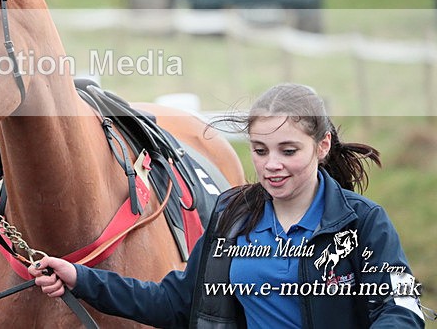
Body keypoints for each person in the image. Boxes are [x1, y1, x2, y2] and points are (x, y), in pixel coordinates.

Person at [30, 83, 427, 328]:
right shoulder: (232, 216)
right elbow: (175, 302)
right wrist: (80, 278)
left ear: (322, 146)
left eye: (288, 151)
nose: (271, 165)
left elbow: (401, 311)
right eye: (260, 150)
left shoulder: (364, 223)